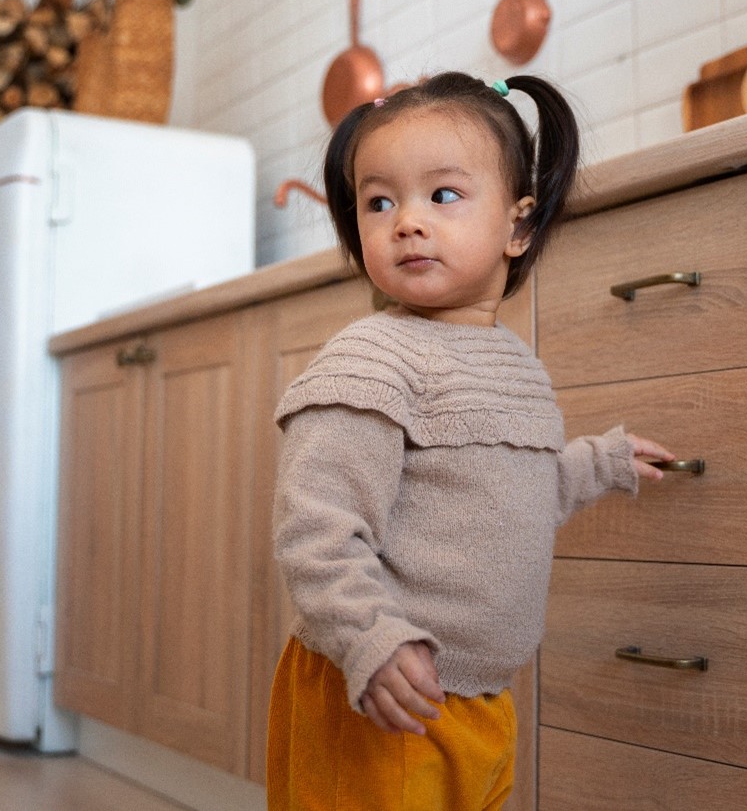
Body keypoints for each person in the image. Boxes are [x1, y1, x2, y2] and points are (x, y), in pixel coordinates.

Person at [266, 71, 673, 810]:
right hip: (382, 685)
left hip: (478, 692)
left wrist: (600, 463)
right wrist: (371, 638)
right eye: (379, 201)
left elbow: (511, 493)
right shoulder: (370, 359)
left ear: (518, 225)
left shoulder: (514, 363)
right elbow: (317, 531)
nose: (406, 221)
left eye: (441, 195)